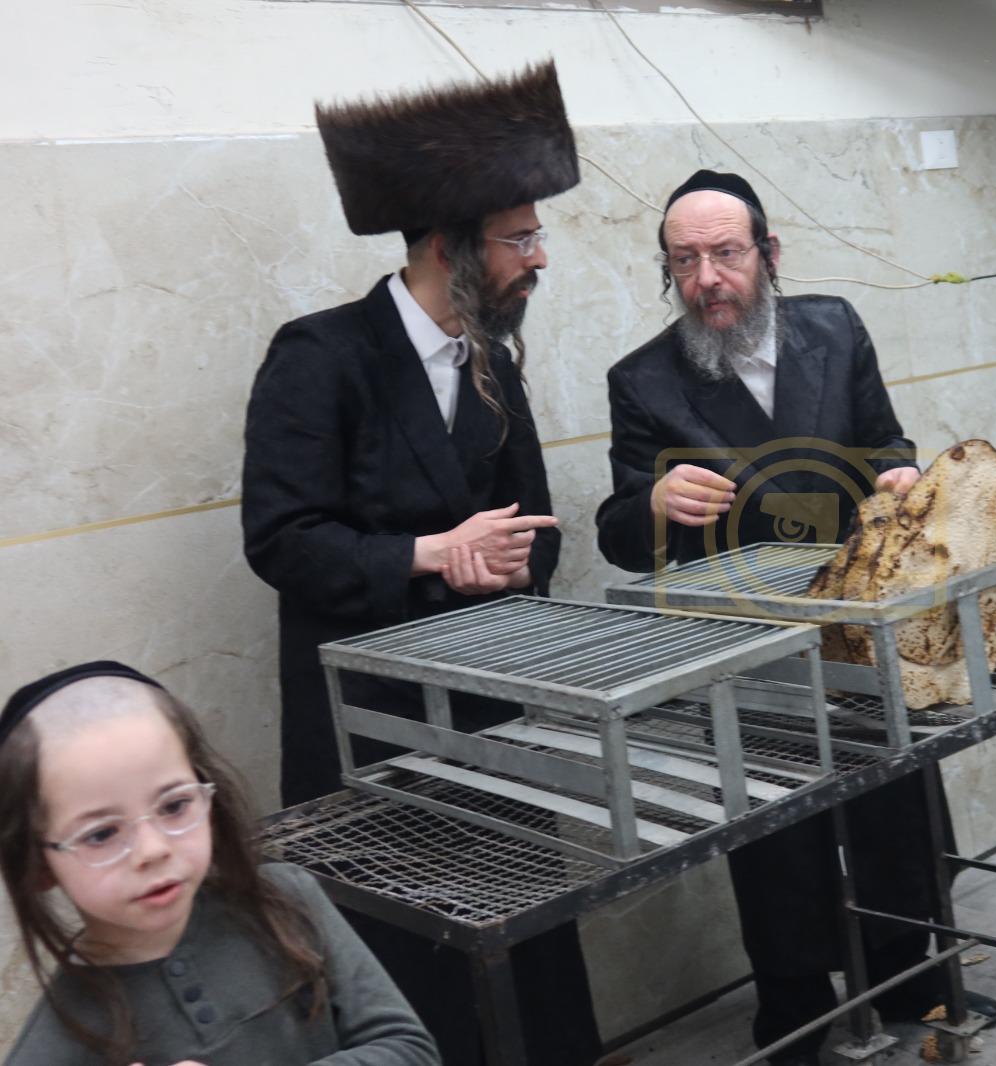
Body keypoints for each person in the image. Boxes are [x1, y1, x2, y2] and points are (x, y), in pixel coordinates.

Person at [595, 170, 996, 1066]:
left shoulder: (834, 328)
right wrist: (654, 502)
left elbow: (884, 439)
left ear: (768, 253)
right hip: (746, 642)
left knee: (894, 794)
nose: (707, 278)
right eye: (684, 261)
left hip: (860, 616)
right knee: (775, 830)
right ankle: (792, 1008)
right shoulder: (643, 381)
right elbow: (619, 535)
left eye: (725, 253)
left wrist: (899, 474)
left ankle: (913, 977)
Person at [241, 63, 600, 1066]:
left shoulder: (492, 361)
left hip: (489, 717)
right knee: (415, 976)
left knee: (530, 966)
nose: (538, 257)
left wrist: (509, 566)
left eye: (536, 235)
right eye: (519, 238)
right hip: (368, 736)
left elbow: (539, 530)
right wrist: (431, 555)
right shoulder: (319, 356)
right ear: (451, 248)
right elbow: (280, 539)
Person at [0, 661, 441, 1066]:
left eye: (174, 806)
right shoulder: (56, 1041)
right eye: (100, 834)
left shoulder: (287, 898)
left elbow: (410, 1050)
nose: (153, 849)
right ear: (38, 864)